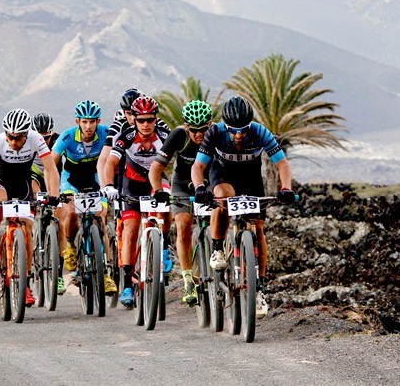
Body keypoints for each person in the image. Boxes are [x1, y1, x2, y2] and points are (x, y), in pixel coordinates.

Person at [190, 96, 296, 318]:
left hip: (250, 179)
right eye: (233, 130)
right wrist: (200, 187)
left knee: (258, 229)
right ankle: (218, 247)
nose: (238, 135)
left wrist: (286, 188)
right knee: (220, 197)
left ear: (250, 125)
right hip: (223, 176)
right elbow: (198, 165)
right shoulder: (215, 132)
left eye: (243, 130)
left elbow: (282, 164)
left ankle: (259, 287)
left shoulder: (260, 132)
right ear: (225, 126)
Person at [0, 109, 61, 307]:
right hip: (0, 181)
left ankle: (25, 284)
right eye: (10, 137)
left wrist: (54, 195)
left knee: (27, 230)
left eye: (18, 138)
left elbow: (50, 168)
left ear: (26, 134)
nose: (13, 142)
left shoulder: (36, 139)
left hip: (22, 184)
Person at [102, 96, 171, 308]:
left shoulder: (165, 136)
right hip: (130, 184)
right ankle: (127, 284)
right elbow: (110, 163)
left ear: (155, 118)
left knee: (167, 203)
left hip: (156, 182)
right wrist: (108, 186)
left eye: (150, 119)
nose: (146, 124)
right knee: (130, 229)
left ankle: (165, 247)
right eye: (141, 120)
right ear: (135, 119)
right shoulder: (127, 136)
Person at [149, 100, 213, 305]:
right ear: (186, 126)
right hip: (182, 184)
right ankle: (187, 280)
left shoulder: (216, 134)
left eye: (203, 129)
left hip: (208, 182)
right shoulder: (178, 135)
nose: (199, 134)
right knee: (184, 225)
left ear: (210, 124)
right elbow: (156, 168)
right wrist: (158, 190)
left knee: (217, 223)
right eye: (194, 130)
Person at [51, 100, 117, 296]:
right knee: (71, 213)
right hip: (71, 179)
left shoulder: (106, 132)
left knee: (101, 218)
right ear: (78, 121)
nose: (88, 127)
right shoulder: (68, 136)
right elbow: (52, 164)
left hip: (97, 177)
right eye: (84, 122)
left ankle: (105, 273)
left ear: (98, 122)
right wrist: (54, 191)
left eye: (92, 122)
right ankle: (71, 246)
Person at [30, 113, 61, 193]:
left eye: (46, 138)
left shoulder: (58, 140)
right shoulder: (27, 141)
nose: (42, 142)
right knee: (33, 187)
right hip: (36, 175)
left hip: (55, 173)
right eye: (39, 138)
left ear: (52, 132)